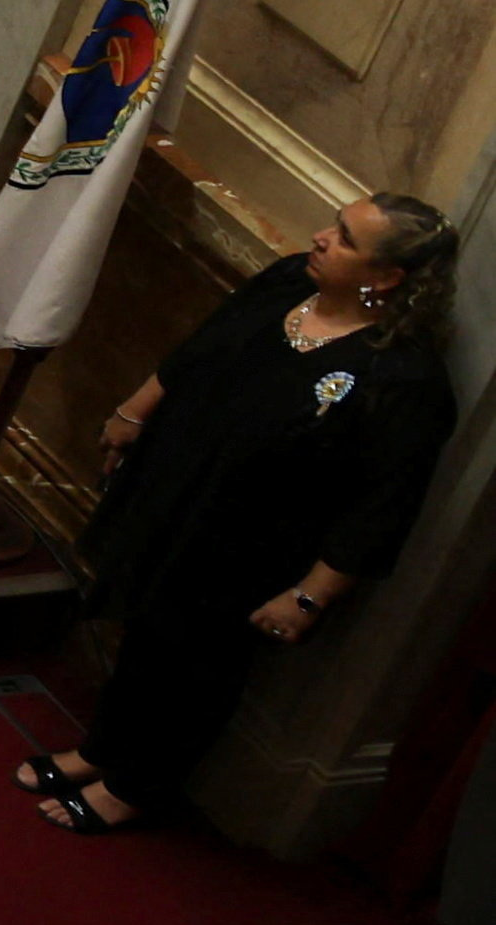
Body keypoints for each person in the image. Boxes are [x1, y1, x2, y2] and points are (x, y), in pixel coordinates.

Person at [25, 193, 460, 837]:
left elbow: (382, 508)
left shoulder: (403, 379)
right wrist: (134, 411)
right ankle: (100, 750)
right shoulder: (289, 281)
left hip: (249, 553)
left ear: (387, 276)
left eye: (342, 238)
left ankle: (136, 786)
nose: (319, 238)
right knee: (143, 629)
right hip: (178, 496)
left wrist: (309, 599)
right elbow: (202, 347)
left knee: (195, 669)